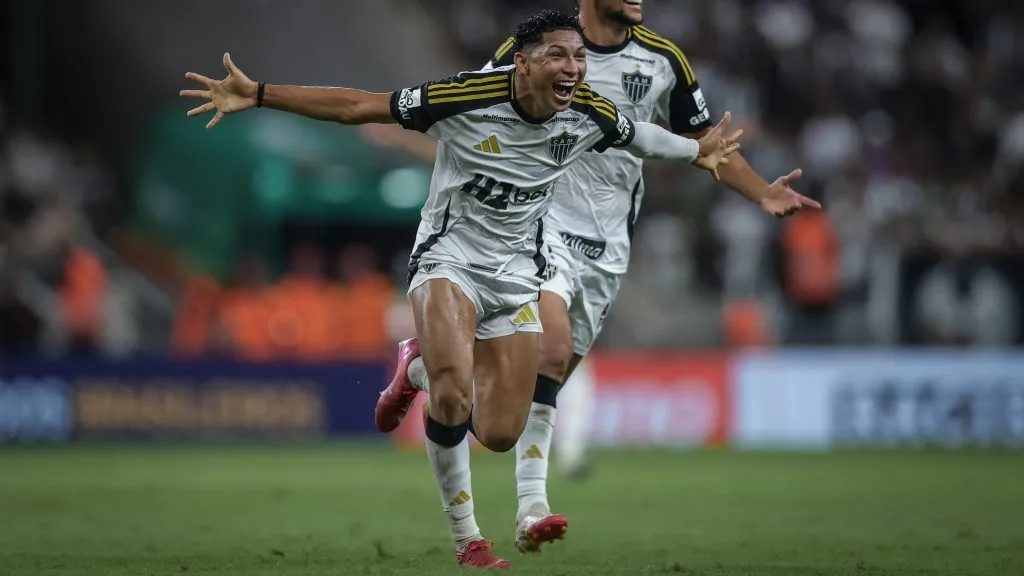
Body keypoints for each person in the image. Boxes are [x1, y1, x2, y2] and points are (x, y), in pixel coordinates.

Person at [181, 9, 740, 568]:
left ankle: (416, 366)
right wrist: (257, 94)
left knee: (498, 433)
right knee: (453, 395)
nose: (573, 68)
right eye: (558, 56)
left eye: (578, 57)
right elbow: (359, 105)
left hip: (520, 271)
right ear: (522, 63)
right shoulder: (463, 98)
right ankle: (468, 540)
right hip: (450, 259)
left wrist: (698, 152)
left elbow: (640, 136)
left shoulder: (590, 112)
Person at [369, 0, 820, 556]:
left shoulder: (664, 61)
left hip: (608, 243)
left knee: (537, 386)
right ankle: (531, 502)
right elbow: (480, 114)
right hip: (539, 222)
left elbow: (707, 146)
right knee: (551, 350)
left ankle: (422, 364)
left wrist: (763, 192)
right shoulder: (535, 50)